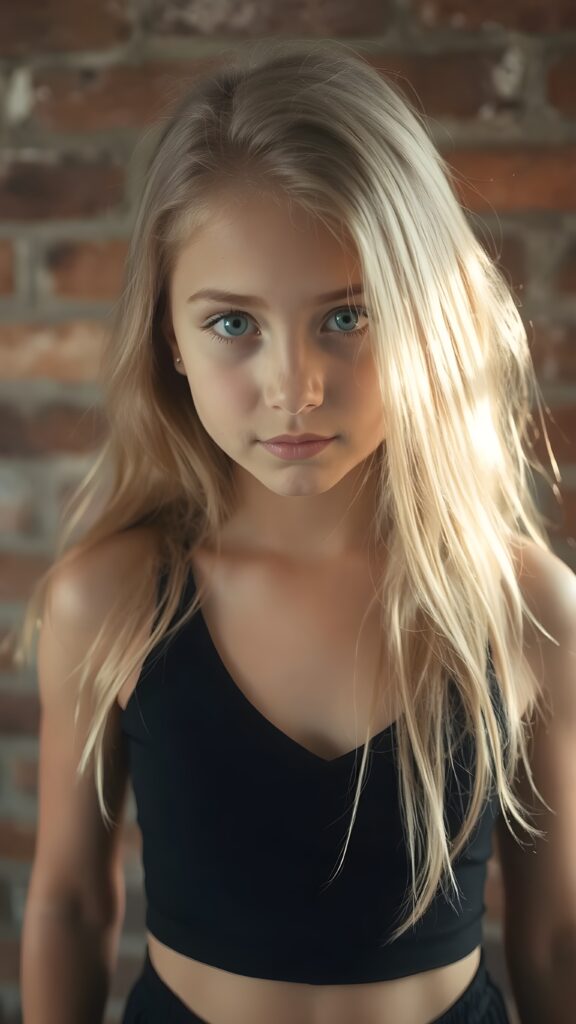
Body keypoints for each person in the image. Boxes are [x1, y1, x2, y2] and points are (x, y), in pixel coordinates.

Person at [14, 36, 576, 1024]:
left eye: (348, 316)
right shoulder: (106, 600)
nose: (294, 387)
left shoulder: (524, 605)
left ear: (426, 319)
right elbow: (67, 901)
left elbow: (555, 935)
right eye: (234, 324)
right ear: (168, 340)